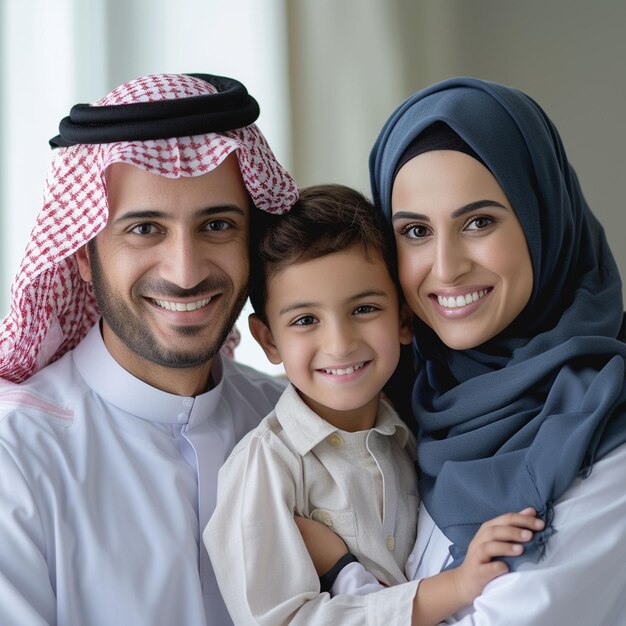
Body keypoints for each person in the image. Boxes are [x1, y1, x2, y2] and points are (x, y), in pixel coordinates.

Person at [303, 78, 626, 624]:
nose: (447, 267)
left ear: (540, 218)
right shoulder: (400, 397)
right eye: (415, 231)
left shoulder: (605, 428)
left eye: (479, 222)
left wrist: (340, 575)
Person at [0, 72, 298, 626]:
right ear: (83, 257)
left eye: (216, 224)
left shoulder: (290, 421)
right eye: (144, 230)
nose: (185, 272)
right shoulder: (15, 456)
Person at [204, 184, 544, 626]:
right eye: (306, 320)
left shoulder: (411, 442)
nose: (340, 344)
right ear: (269, 339)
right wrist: (453, 588)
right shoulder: (265, 469)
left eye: (363, 309)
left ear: (403, 319)